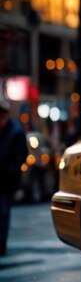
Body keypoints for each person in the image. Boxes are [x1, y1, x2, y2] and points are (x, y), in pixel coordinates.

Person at [0, 98, 28, 255]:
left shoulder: (16, 132)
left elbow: (21, 156)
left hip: (7, 180)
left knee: (3, 211)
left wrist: (10, 170)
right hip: (5, 178)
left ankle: (1, 243)